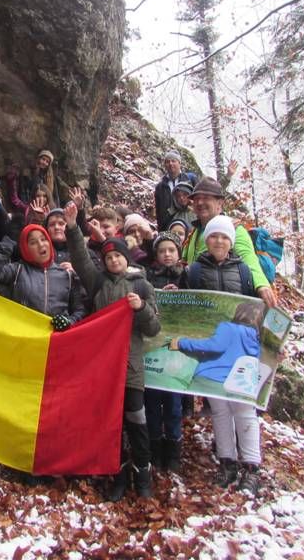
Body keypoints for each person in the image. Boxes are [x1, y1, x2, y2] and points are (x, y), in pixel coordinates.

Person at [63, 203, 160, 501]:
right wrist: (72, 227)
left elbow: (154, 328)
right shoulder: (98, 282)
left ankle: (143, 475)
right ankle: (117, 474)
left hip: (131, 368)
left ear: (126, 258)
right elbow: (81, 258)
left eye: (118, 255)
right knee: (112, 424)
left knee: (137, 422)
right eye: (108, 257)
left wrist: (140, 309)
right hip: (103, 368)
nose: (113, 260)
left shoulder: (141, 285)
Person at [168, 294, 265, 495]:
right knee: (247, 418)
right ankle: (251, 469)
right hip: (244, 382)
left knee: (221, 417)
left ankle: (227, 465)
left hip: (216, 380)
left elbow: (214, 346)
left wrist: (183, 342)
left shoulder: (228, 328)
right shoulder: (258, 338)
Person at [181, 178, 277, 307]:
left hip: (228, 306)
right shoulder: (194, 233)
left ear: (220, 203)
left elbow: (248, 259)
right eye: (196, 198)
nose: (200, 202)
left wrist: (261, 285)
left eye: (206, 198)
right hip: (199, 306)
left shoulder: (234, 229)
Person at [144, 231, 185, 473]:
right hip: (152, 347)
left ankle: (174, 448)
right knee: (151, 401)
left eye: (171, 250)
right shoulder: (147, 277)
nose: (167, 255)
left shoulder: (187, 277)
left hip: (177, 350)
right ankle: (155, 447)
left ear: (178, 253)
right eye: (162, 251)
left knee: (173, 402)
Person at [154, 151, 197, 231]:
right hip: (168, 224)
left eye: (173, 161)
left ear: (179, 163)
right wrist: (161, 229)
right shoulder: (160, 187)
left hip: (190, 221)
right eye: (167, 162)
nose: (170, 164)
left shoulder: (190, 179)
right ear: (165, 165)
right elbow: (159, 211)